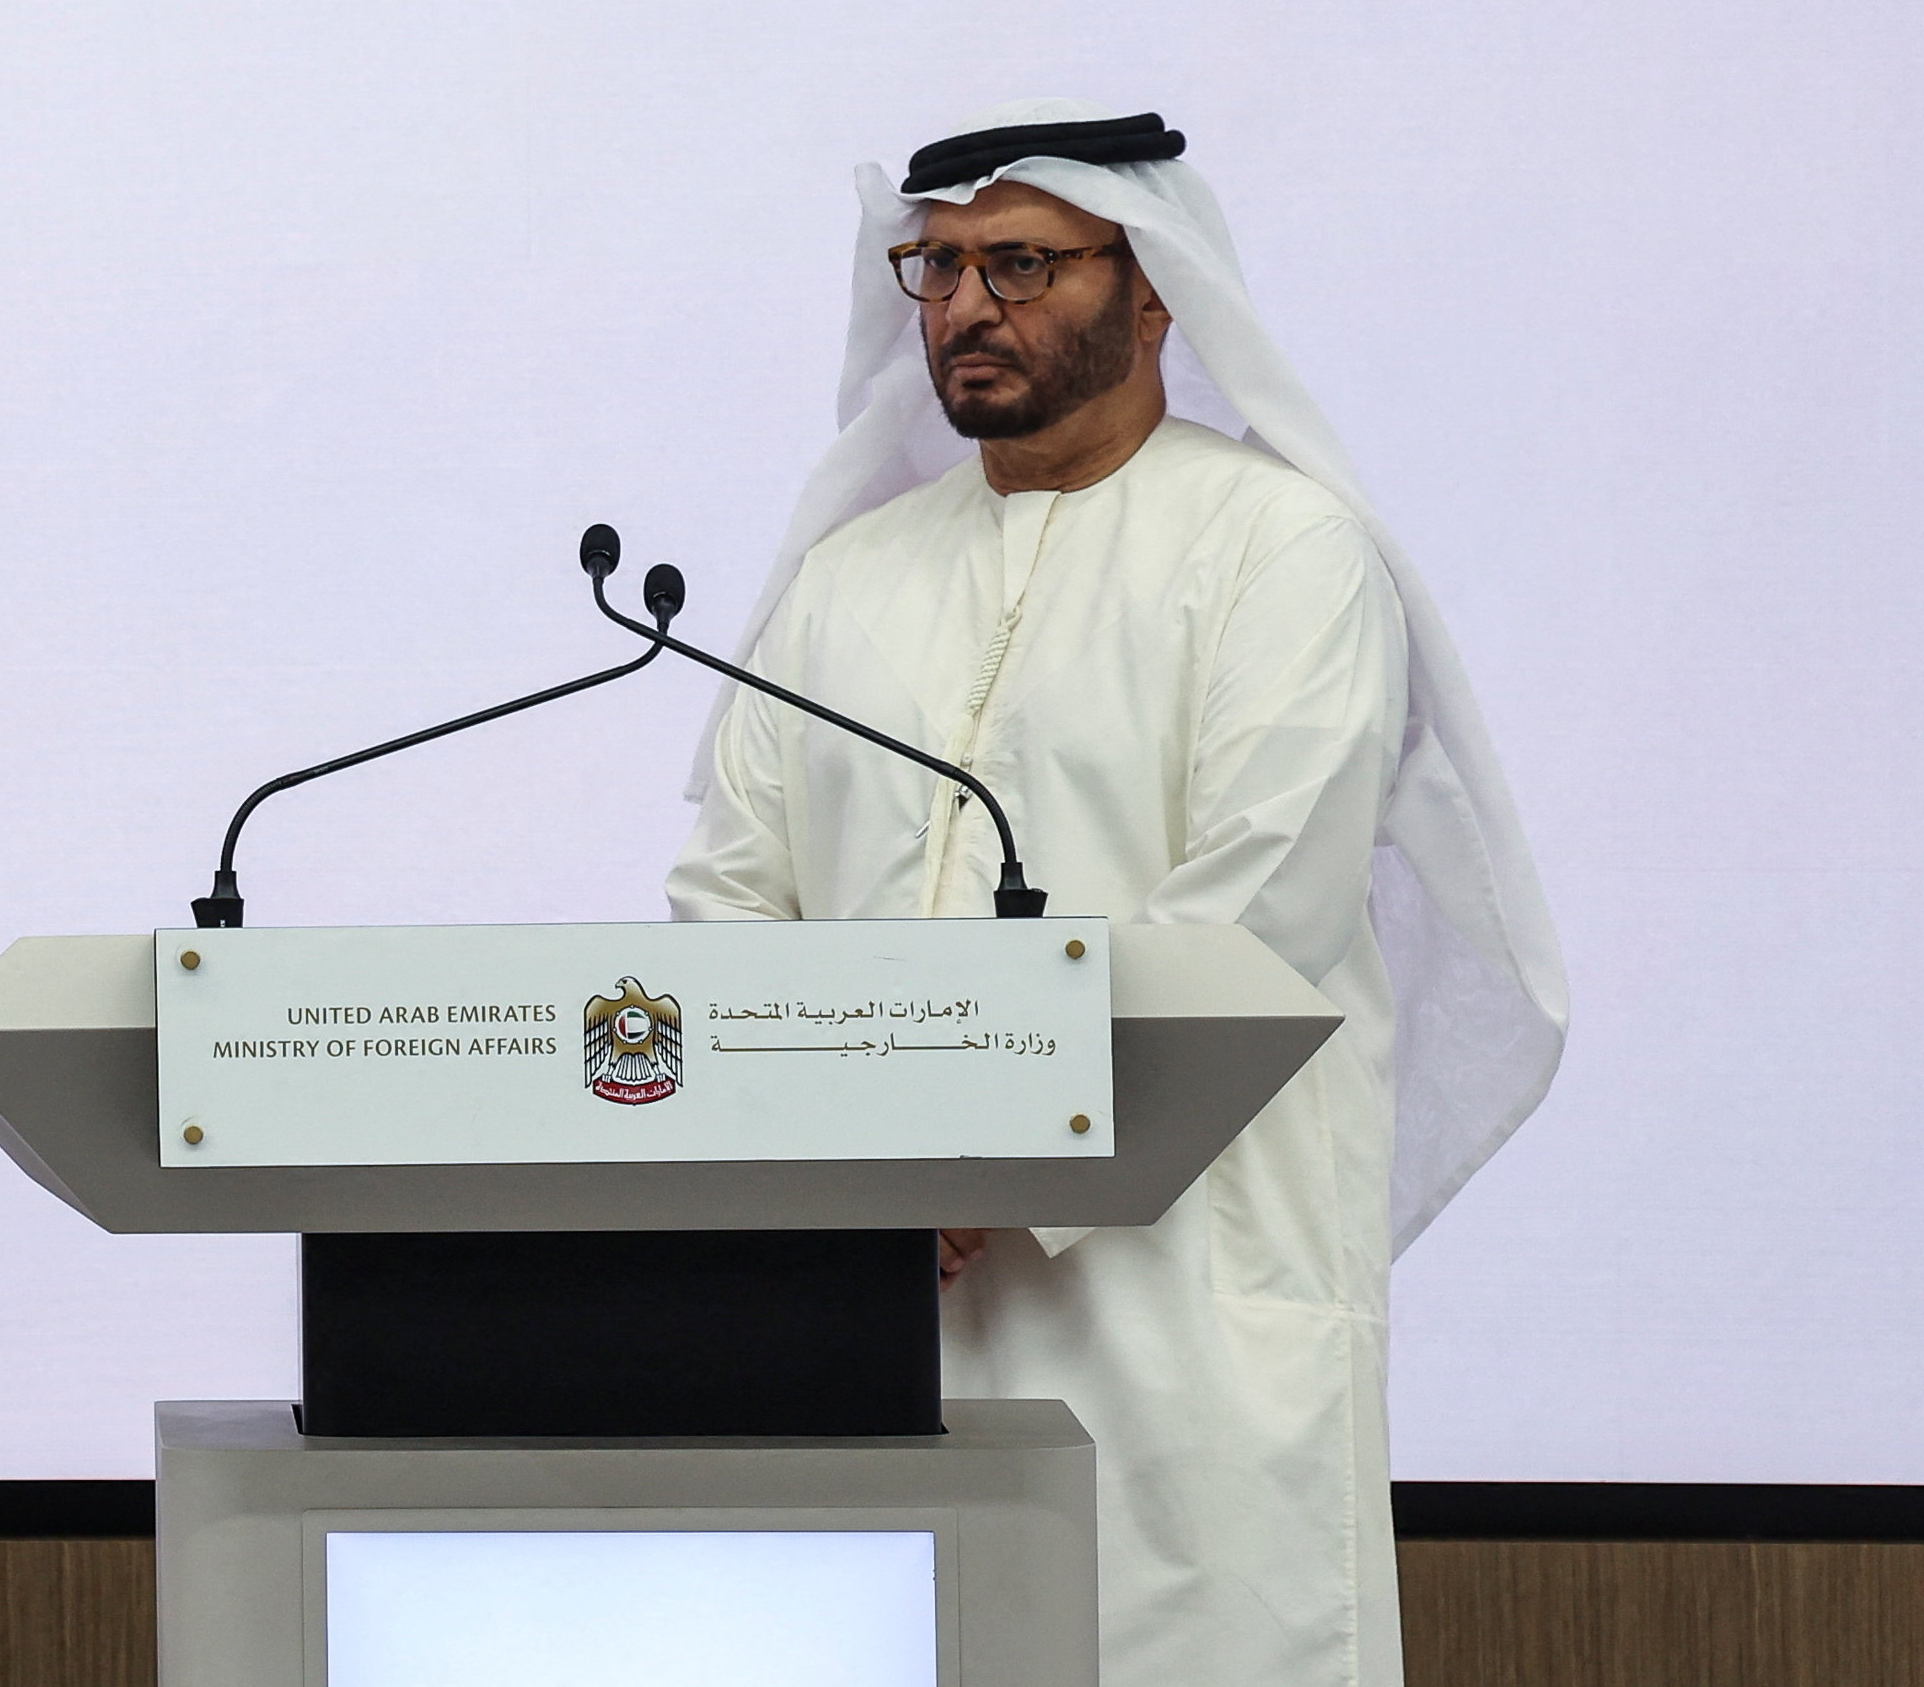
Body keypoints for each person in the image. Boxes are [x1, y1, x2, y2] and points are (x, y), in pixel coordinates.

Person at [667, 106, 1563, 1687]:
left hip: (1185, 1311)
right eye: (934, 265)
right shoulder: (845, 581)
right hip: (876, 1300)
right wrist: (862, 1176)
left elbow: (1248, 920)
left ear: (1152, 295)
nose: (963, 305)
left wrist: (964, 1164)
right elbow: (734, 898)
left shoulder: (1280, 549)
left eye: (1020, 262)